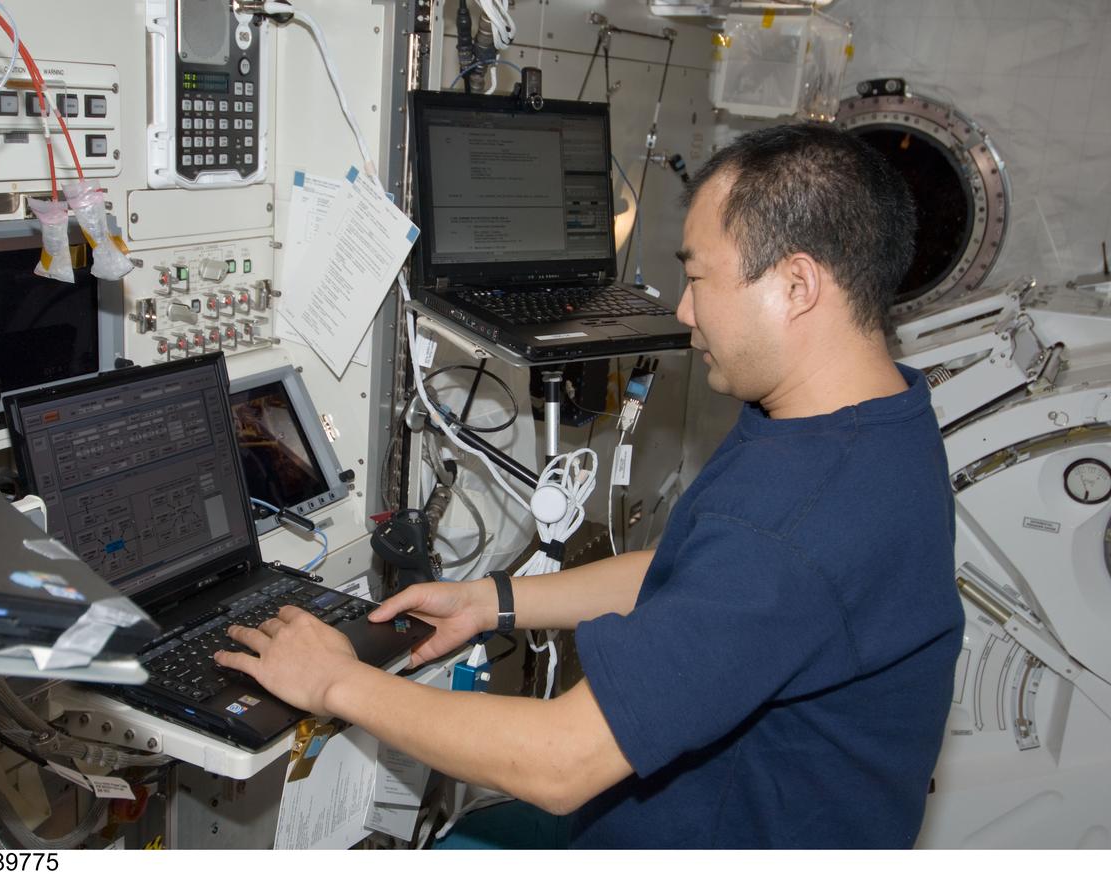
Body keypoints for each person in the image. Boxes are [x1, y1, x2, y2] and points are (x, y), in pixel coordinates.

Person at [213, 123, 965, 849]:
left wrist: (335, 683)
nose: (683, 310)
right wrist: (495, 603)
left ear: (797, 284)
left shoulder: (796, 522)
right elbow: (691, 575)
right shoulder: (868, 422)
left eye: (699, 277)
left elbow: (559, 762)